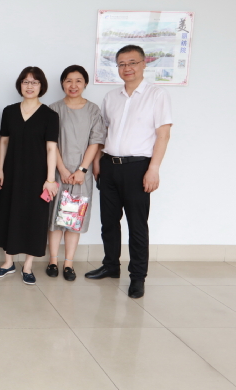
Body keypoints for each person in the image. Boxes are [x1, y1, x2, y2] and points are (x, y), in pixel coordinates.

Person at [86, 45, 172, 299]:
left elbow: (163, 135)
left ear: (144, 64)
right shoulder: (111, 97)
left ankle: (137, 277)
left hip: (138, 168)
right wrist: (97, 162)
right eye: (122, 64)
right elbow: (103, 133)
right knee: (109, 222)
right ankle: (111, 265)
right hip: (109, 166)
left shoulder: (157, 95)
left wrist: (153, 169)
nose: (127, 68)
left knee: (137, 225)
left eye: (132, 62)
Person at [0, 67, 60, 285]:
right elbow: (3, 141)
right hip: (11, 172)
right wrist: (0, 169)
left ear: (42, 86)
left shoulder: (50, 115)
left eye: (34, 82)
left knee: (35, 218)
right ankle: (8, 262)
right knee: (9, 214)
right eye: (26, 82)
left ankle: (28, 266)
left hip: (37, 176)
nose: (29, 86)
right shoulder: (9, 111)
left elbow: (51, 148)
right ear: (20, 85)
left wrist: (50, 179)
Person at [46, 65, 105, 281]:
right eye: (68, 80)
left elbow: (95, 141)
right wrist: (61, 169)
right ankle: (53, 261)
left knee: (74, 219)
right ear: (62, 83)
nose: (73, 85)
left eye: (78, 80)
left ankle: (69, 263)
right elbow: (51, 142)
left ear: (85, 84)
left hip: (82, 175)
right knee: (55, 218)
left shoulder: (93, 110)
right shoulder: (53, 109)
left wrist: (82, 170)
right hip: (57, 172)